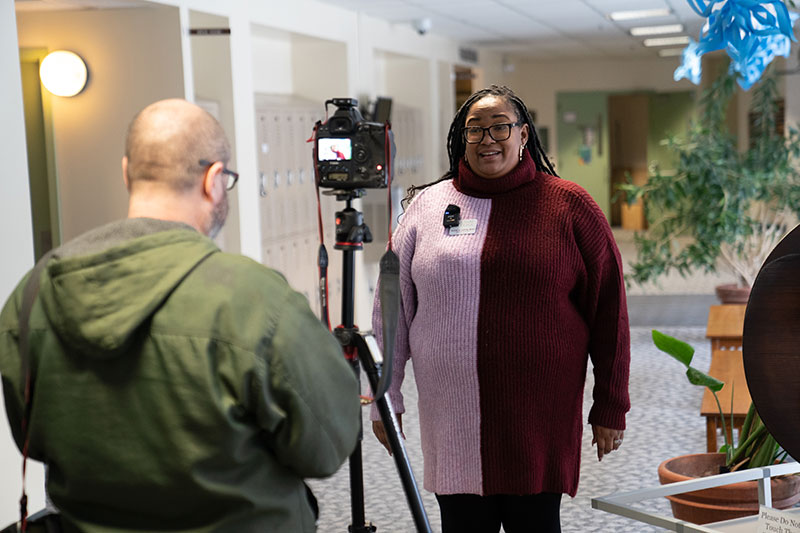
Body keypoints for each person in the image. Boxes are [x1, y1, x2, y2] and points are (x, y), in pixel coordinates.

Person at [0, 99, 360, 532]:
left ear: (127, 172)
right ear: (213, 181)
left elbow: (30, 439)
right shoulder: (256, 299)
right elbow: (327, 446)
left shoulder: (32, 293)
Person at [371, 85, 630, 532]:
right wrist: (384, 398)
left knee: (536, 523)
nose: (488, 139)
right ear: (461, 138)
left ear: (524, 135)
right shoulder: (426, 208)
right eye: (475, 130)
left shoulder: (570, 207)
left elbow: (611, 314)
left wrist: (610, 404)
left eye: (500, 127)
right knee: (462, 523)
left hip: (537, 419)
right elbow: (390, 311)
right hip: (453, 418)